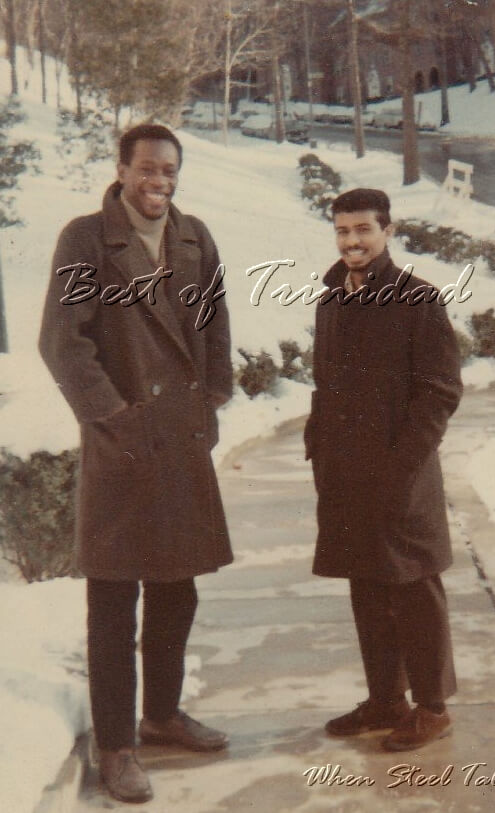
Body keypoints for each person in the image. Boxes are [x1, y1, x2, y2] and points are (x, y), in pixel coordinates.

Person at [39, 124, 233, 804]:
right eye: (147, 168)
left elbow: (213, 324)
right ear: (121, 169)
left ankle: (162, 713)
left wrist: (213, 397)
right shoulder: (84, 239)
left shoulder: (194, 236)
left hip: (180, 439)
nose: (160, 181)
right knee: (115, 598)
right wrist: (114, 418)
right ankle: (117, 743)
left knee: (178, 587)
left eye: (169, 170)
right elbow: (63, 343)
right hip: (121, 444)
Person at [304, 188, 463, 752]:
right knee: (366, 586)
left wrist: (402, 469)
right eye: (343, 231)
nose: (353, 241)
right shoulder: (329, 301)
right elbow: (327, 384)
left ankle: (433, 707)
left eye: (364, 230)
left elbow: (440, 392)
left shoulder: (419, 300)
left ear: (388, 231)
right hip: (344, 474)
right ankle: (385, 700)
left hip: (401, 474)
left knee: (414, 587)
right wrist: (319, 449)